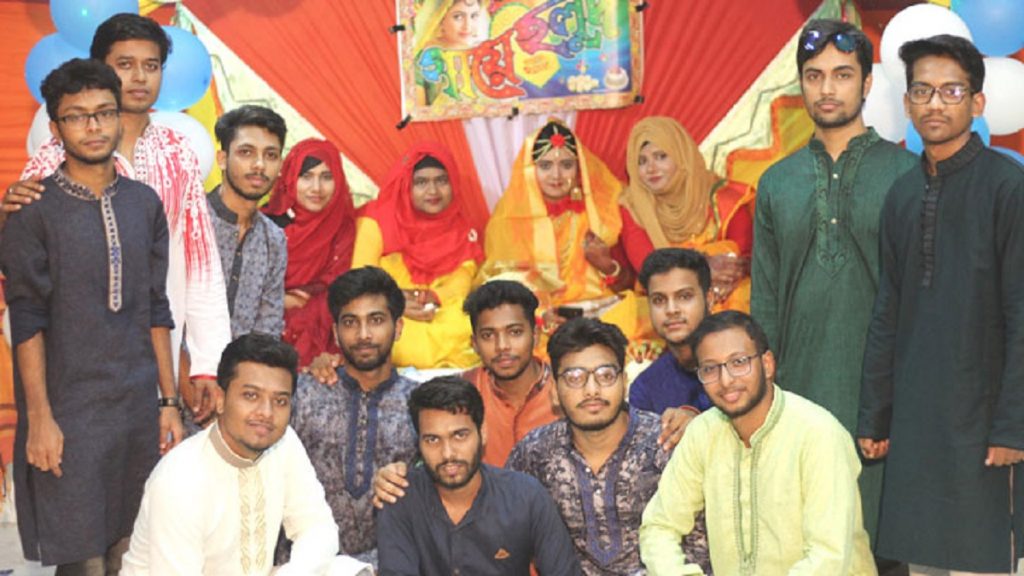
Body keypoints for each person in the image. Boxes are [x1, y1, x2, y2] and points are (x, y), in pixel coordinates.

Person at [0, 58, 182, 573]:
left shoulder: (144, 203)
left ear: (120, 117)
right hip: (69, 411)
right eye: (77, 116)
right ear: (56, 128)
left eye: (104, 112)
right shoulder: (32, 211)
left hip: (134, 407)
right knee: (84, 561)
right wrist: (40, 420)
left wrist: (168, 402)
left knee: (131, 553)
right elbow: (26, 319)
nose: (94, 126)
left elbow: (156, 306)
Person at [5, 13, 231, 423]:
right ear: (101, 70)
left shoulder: (178, 152)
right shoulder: (56, 156)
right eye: (125, 65)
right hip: (71, 364)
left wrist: (206, 362)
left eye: (151, 65)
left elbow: (200, 262)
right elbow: (24, 266)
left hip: (155, 357)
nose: (140, 77)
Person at [857, 35, 1024, 576]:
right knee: (922, 561)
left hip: (984, 426)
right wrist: (876, 414)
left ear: (977, 103)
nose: (935, 103)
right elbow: (888, 311)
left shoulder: (1008, 187)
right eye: (922, 91)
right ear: (906, 103)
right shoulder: (902, 196)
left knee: (981, 560)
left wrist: (1013, 427)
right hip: (917, 423)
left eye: (951, 91)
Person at [749, 18, 917, 548]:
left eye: (842, 75)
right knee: (811, 541)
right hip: (800, 394)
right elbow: (765, 299)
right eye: (814, 75)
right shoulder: (776, 183)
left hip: (888, 393)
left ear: (867, 83)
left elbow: (926, 298)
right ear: (800, 84)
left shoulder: (908, 175)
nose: (827, 88)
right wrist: (762, 398)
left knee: (888, 541)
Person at [640, 311, 875, 575]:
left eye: (738, 362)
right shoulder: (703, 434)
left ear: (767, 364)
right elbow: (659, 526)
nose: (726, 380)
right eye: (710, 369)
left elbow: (828, 558)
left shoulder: (818, 434)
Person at [121, 334, 371, 576]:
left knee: (344, 570)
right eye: (251, 396)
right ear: (220, 399)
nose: (266, 413)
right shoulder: (179, 479)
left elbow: (318, 528)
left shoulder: (285, 443)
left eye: (280, 401)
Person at [507, 318, 710, 575]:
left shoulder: (667, 443)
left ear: (624, 381)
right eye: (575, 378)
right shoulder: (534, 453)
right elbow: (507, 532)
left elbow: (703, 544)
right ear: (555, 391)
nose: (592, 390)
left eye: (605, 376)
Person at [376, 376, 582, 575]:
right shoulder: (398, 497)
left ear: (482, 432)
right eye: (432, 440)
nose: (448, 453)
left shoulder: (525, 497)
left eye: (459, 435)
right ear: (418, 443)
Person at [288, 267, 419, 566]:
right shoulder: (303, 394)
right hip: (302, 565)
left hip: (386, 567)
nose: (363, 335)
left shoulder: (419, 405)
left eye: (376, 320)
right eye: (350, 322)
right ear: (335, 332)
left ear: (398, 327)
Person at [480, 119, 641, 343]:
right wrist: (538, 314)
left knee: (641, 313)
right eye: (545, 166)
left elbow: (631, 281)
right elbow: (500, 287)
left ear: (579, 168)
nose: (556, 175)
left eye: (566, 165)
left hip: (602, 311)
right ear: (530, 171)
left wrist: (608, 267)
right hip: (544, 320)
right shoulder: (509, 221)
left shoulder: (601, 212)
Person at [351, 142, 483, 369]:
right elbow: (359, 279)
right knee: (393, 337)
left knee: (470, 329)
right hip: (386, 308)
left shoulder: (460, 226)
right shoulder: (376, 220)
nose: (433, 191)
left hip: (439, 308)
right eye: (421, 182)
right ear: (406, 185)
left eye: (441, 181)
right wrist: (393, 301)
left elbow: (463, 277)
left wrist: (434, 296)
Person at [621, 117, 755, 312]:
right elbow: (648, 267)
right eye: (641, 161)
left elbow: (741, 258)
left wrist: (706, 277)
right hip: (665, 301)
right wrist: (701, 266)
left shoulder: (725, 198)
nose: (651, 169)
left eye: (661, 156)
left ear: (682, 156)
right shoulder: (633, 206)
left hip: (727, 293)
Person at [263, 138, 356, 367]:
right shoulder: (265, 226)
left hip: (327, 336)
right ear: (291, 179)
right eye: (306, 176)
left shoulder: (343, 226)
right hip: (266, 333)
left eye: (326, 177)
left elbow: (340, 288)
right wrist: (280, 300)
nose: (317, 188)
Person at [207, 105, 288, 340]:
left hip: (245, 362)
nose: (259, 164)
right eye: (246, 152)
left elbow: (268, 328)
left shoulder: (274, 239)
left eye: (270, 155)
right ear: (222, 159)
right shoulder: (191, 221)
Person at [628, 248, 713, 417]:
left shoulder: (740, 365)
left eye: (684, 296)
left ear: (709, 299)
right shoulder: (646, 387)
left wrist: (698, 425)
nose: (671, 310)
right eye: (659, 300)